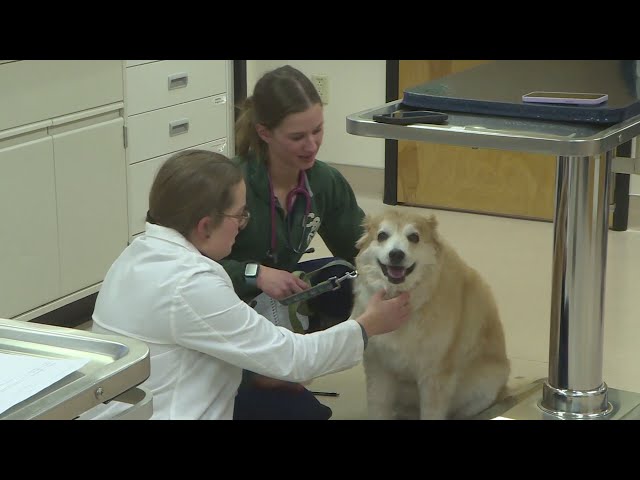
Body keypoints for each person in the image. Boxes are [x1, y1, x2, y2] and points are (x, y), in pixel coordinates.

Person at [84, 149, 411, 420]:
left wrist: (257, 372)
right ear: (205, 225)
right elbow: (294, 358)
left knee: (300, 408)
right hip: (168, 411)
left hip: (136, 402)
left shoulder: (135, 254)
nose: (242, 225)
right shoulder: (191, 284)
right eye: (239, 216)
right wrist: (367, 325)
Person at [220, 65, 371, 419]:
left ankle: (285, 363)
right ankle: (260, 376)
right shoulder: (229, 183)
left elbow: (364, 250)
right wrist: (254, 273)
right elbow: (185, 271)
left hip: (276, 302)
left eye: (318, 130)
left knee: (351, 281)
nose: (312, 145)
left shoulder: (325, 182)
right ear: (264, 133)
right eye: (297, 136)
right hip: (223, 307)